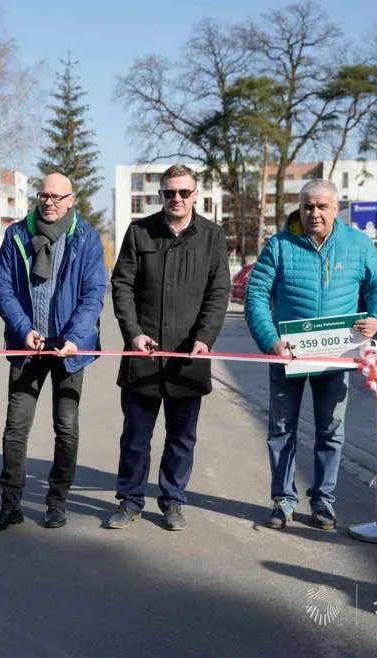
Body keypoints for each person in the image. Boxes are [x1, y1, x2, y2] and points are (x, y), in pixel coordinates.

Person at [244, 179, 377, 530]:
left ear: (335, 208)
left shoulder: (357, 245)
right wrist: (270, 341)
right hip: (288, 355)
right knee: (282, 429)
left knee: (331, 431)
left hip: (336, 357)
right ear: (299, 207)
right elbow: (256, 296)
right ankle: (283, 501)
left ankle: (323, 502)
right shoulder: (280, 245)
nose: (314, 213)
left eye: (322, 206)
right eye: (308, 206)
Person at [106, 164, 230, 531]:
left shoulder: (212, 236)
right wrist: (133, 333)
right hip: (143, 356)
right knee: (135, 435)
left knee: (181, 438)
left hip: (187, 359)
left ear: (196, 194)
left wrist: (204, 338)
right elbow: (122, 286)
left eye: (184, 192)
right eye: (170, 192)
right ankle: (129, 500)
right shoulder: (139, 232)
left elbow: (218, 293)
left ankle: (173, 501)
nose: (177, 198)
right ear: (160, 195)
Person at [0, 172, 106, 532]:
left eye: (56, 196)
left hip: (69, 349)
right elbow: (3, 289)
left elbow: (93, 293)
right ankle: (10, 504)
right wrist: (24, 330)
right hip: (28, 347)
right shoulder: (17, 235)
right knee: (15, 428)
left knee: (65, 426)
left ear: (70, 201)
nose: (49, 202)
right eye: (43, 195)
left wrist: (75, 336)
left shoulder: (86, 239)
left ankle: (56, 501)